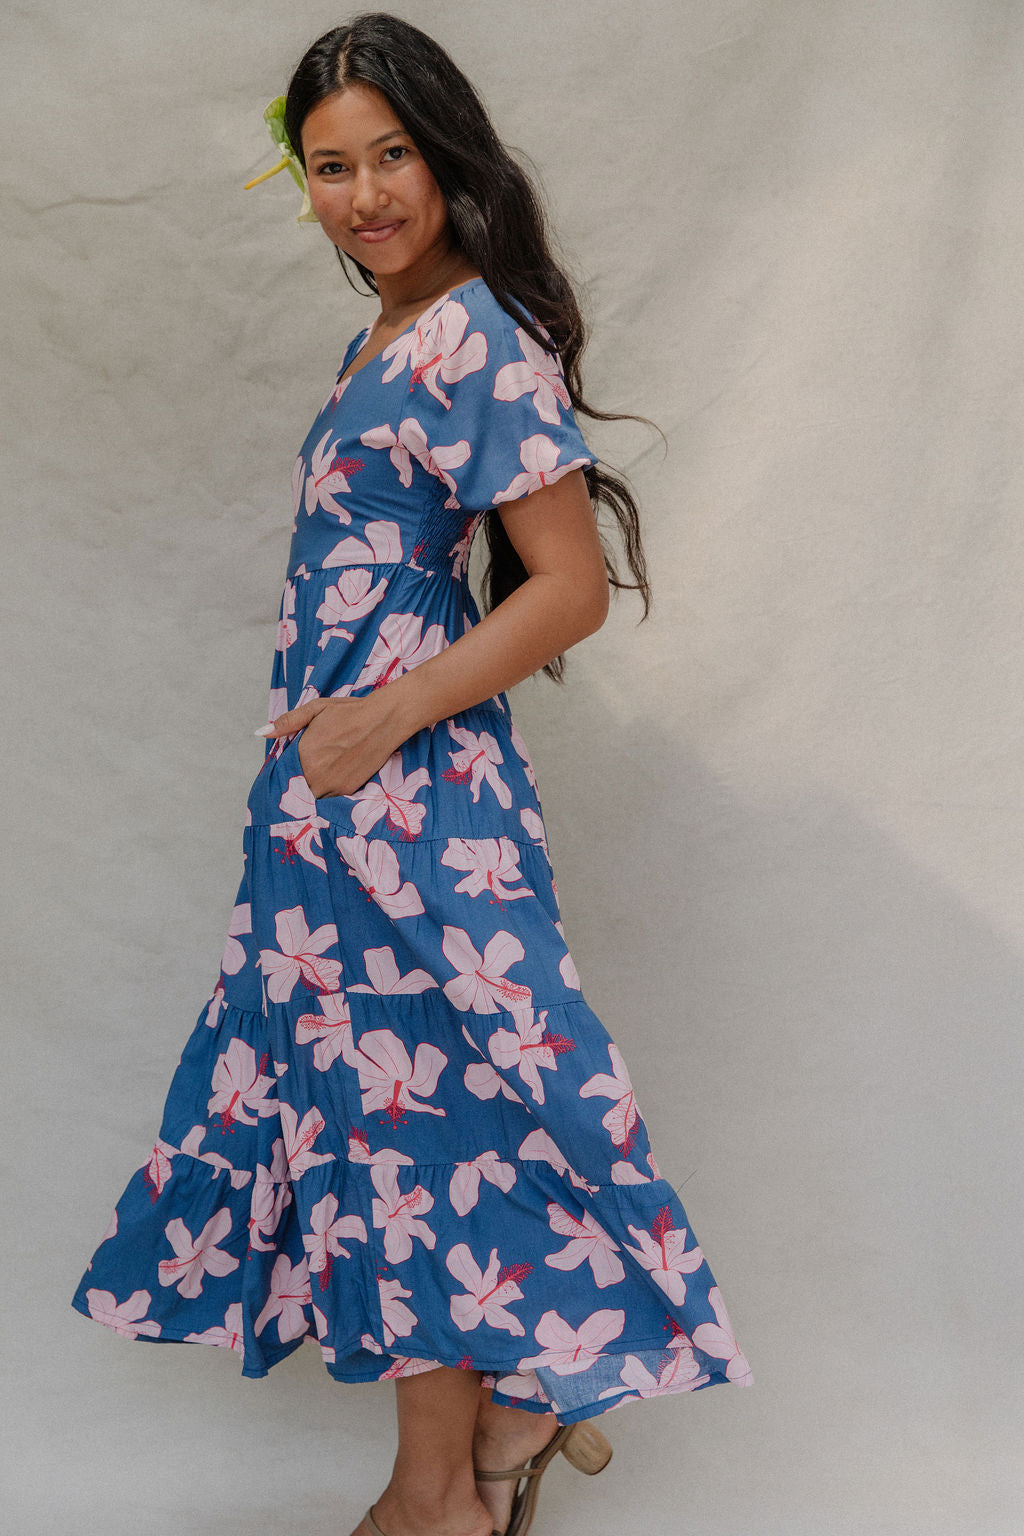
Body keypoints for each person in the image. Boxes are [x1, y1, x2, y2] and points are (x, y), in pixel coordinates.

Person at [71, 13, 752, 1536]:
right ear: (294, 179)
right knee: (392, 1133)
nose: (366, 191)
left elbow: (566, 588)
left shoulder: (480, 340)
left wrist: (381, 722)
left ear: (447, 154)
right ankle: (474, 1455)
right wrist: (328, 754)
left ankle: (448, 1484)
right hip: (330, 815)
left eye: (392, 155)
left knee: (445, 1118)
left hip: (414, 801)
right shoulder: (390, 329)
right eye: (329, 166)